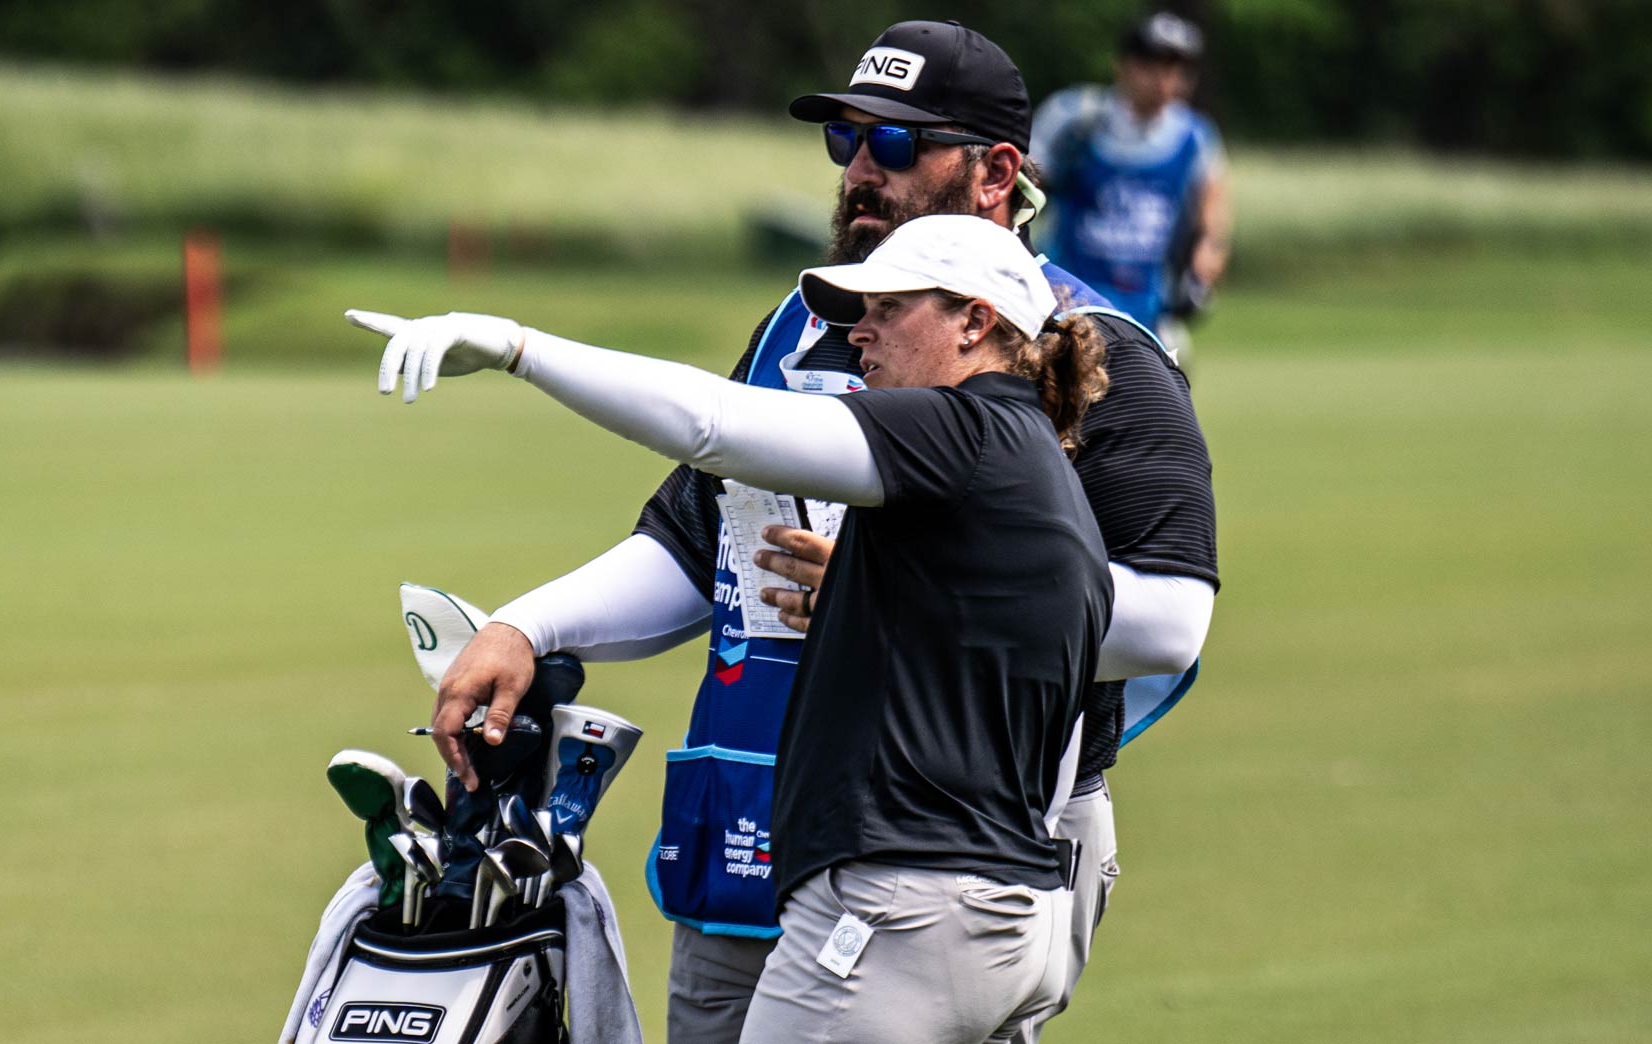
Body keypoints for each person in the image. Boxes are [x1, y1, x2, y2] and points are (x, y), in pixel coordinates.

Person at [418, 19, 1218, 1044]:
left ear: (995, 172)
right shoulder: (804, 325)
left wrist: (900, 592)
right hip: (759, 817)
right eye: (845, 142)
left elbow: (1168, 624)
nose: (859, 173)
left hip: (950, 848)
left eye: (896, 145)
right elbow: (692, 544)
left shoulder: (1095, 349)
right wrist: (527, 629)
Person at [352, 212, 1116, 1043]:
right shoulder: (1031, 464)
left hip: (903, 912)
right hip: (1000, 912)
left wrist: (517, 348)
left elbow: (712, 426)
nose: (858, 334)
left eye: (890, 310)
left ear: (976, 322)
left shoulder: (960, 431)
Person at [1027, 10, 1232, 363]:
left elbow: (1212, 219)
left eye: (1176, 70)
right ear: (1122, 66)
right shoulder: (1078, 121)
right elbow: (1024, 191)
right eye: (1152, 66)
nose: (1165, 81)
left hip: (1147, 308)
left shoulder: (1194, 137)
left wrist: (1202, 273)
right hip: (1069, 303)